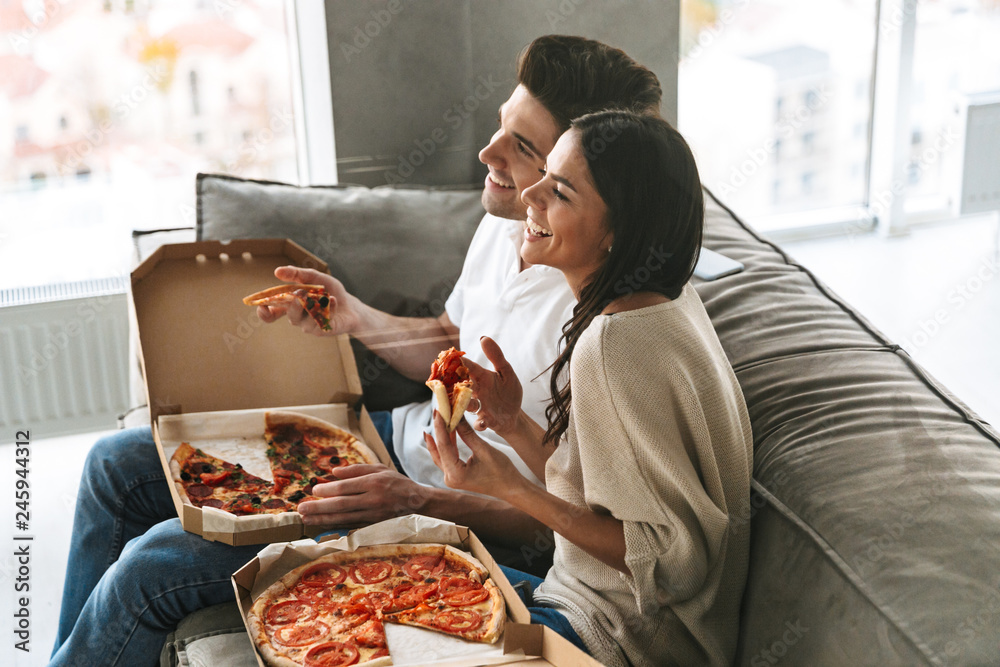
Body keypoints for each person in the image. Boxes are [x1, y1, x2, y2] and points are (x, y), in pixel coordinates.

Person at [51, 36, 663, 666]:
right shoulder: (506, 221)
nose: (487, 153)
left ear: (582, 178)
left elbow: (572, 525)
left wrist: (417, 499)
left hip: (446, 512)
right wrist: (352, 316)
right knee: (114, 467)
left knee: (152, 564)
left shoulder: (603, 322)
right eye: (501, 127)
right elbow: (451, 342)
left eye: (523, 148)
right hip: (393, 443)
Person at [425, 110, 754, 666]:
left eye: (560, 191)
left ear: (617, 232)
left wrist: (514, 488)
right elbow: (607, 488)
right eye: (543, 175)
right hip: (585, 608)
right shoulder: (666, 304)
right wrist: (511, 421)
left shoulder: (613, 343)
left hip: (612, 638)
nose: (529, 194)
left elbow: (675, 561)